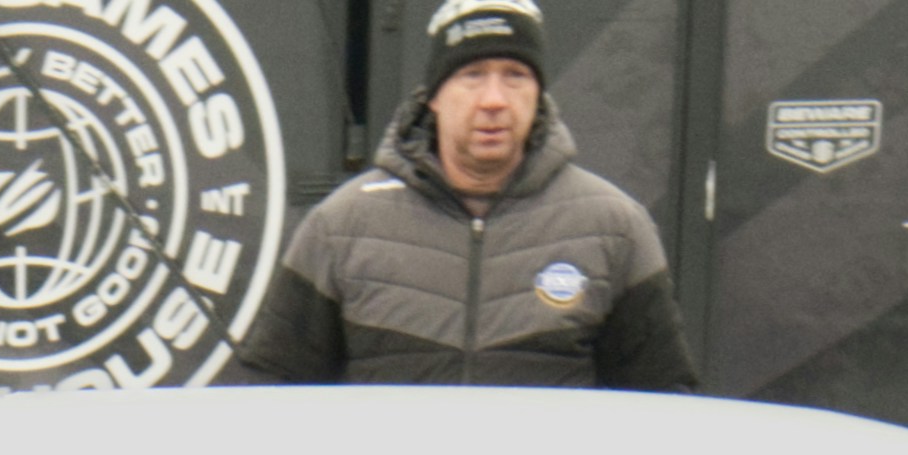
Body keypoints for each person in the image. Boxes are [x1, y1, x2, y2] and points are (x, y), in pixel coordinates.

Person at [213, 0, 694, 393]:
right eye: (472, 75)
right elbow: (268, 398)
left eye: (515, 75)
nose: (494, 100)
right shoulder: (341, 227)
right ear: (434, 96)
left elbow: (664, 409)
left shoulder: (613, 228)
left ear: (539, 93)